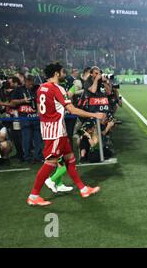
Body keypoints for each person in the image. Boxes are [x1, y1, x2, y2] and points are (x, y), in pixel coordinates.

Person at [27, 62, 106, 207]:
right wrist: (95, 114)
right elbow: (73, 110)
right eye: (63, 72)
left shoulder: (41, 88)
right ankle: (34, 195)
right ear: (56, 73)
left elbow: (40, 109)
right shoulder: (57, 88)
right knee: (50, 162)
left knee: (70, 158)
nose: (65, 74)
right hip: (55, 131)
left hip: (51, 128)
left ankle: (83, 189)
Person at [9, 75, 43, 164]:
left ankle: (38, 156)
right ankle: (27, 157)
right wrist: (23, 101)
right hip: (24, 118)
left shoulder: (37, 88)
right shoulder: (19, 89)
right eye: (29, 84)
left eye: (32, 84)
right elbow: (12, 102)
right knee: (26, 139)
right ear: (25, 82)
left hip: (36, 117)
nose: (31, 86)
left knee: (38, 138)